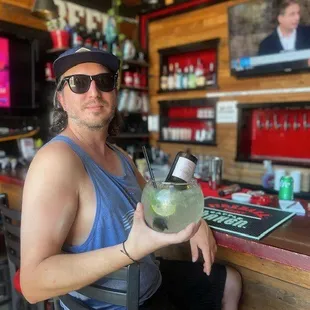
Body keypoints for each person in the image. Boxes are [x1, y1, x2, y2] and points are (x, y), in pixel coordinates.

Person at [20, 46, 242, 310]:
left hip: (149, 281)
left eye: (103, 82)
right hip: (114, 304)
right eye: (78, 83)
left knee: (230, 281)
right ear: (62, 99)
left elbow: (158, 207)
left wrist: (196, 221)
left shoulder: (120, 155)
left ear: (114, 93)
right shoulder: (57, 160)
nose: (94, 92)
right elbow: (32, 284)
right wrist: (129, 250)